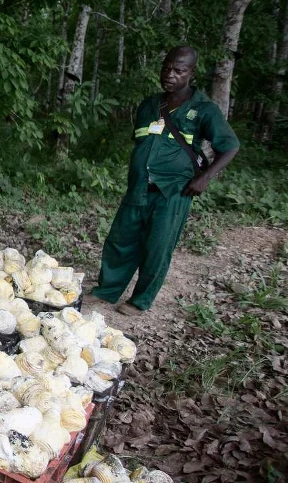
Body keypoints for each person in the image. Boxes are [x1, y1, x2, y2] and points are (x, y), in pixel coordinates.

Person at [88, 45, 239, 316]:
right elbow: (143, 141)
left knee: (158, 246)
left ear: (191, 73)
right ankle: (107, 290)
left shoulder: (204, 109)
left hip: (174, 191)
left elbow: (230, 147)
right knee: (120, 240)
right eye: (167, 68)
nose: (170, 74)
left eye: (179, 70)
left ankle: (140, 300)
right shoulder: (149, 105)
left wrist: (204, 178)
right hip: (139, 186)